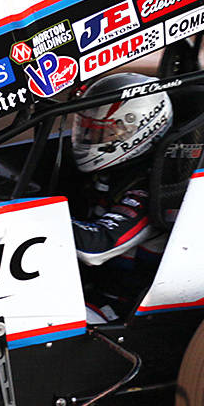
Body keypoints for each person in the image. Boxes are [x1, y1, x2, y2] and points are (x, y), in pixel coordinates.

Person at [69, 72, 174, 269]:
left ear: (136, 129)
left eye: (103, 132)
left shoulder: (148, 185)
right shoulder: (115, 169)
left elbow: (95, 248)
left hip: (121, 290)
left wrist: (33, 218)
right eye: (86, 130)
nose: (89, 138)